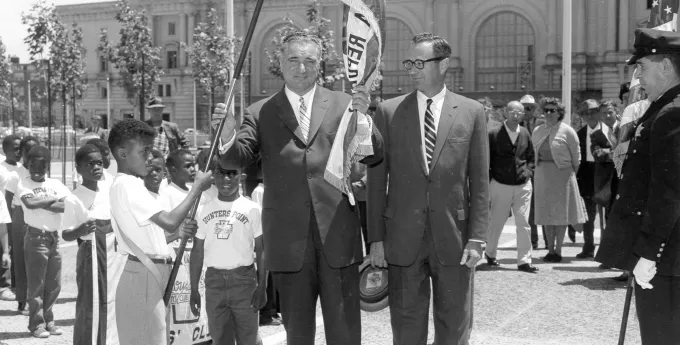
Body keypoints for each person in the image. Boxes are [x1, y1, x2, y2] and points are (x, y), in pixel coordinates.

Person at [214, 31, 383, 345]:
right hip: (288, 244)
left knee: (345, 334)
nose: (301, 68)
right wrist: (227, 135)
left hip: (337, 237)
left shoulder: (345, 103)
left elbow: (373, 155)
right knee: (299, 335)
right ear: (280, 62)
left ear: (320, 65)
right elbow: (238, 158)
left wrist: (366, 118)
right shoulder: (259, 111)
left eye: (309, 61)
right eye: (293, 59)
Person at [367, 33, 488, 344]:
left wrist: (477, 237)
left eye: (421, 62)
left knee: (454, 322)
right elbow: (377, 182)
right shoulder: (389, 112)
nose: (413, 69)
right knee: (406, 325)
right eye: (410, 62)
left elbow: (479, 179)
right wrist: (376, 239)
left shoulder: (471, 112)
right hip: (402, 237)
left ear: (444, 64)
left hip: (455, 237)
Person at [595, 28, 680, 343]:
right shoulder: (663, 109)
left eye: (641, 66)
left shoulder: (672, 114)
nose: (637, 76)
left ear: (665, 67)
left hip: (668, 257)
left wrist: (649, 253)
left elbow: (669, 192)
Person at [107, 119, 212, 345]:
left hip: (149, 272)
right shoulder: (128, 185)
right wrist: (197, 187)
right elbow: (170, 221)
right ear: (122, 153)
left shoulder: (132, 184)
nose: (149, 157)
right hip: (143, 275)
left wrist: (179, 233)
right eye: (144, 151)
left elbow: (156, 237)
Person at [189, 159, 266, 345]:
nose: (226, 179)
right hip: (214, 282)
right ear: (213, 176)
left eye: (232, 174)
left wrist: (262, 286)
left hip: (244, 281)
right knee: (220, 338)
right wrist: (193, 289)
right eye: (221, 173)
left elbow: (262, 250)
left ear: (242, 177)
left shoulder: (253, 209)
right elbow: (197, 252)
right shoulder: (202, 210)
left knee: (248, 339)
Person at [17, 146, 70, 338]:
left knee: (53, 284)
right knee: (37, 284)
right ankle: (36, 324)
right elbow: (29, 204)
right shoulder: (24, 183)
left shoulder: (56, 184)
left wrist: (43, 201)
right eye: (33, 165)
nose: (37, 170)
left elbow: (66, 206)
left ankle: (50, 320)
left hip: (53, 239)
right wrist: (50, 201)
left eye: (42, 165)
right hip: (35, 238)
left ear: (49, 165)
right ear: (27, 165)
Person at [61, 144, 112, 345]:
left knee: (111, 301)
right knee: (89, 304)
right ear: (79, 169)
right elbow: (66, 234)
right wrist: (80, 231)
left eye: (99, 163)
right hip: (90, 256)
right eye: (90, 164)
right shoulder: (74, 198)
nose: (96, 167)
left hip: (112, 254)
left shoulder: (108, 189)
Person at [532, 98, 587, 263]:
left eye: (552, 110)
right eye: (546, 110)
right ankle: (549, 249)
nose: (548, 113)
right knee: (546, 214)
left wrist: (570, 176)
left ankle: (558, 250)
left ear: (559, 113)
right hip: (543, 175)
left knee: (560, 214)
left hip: (563, 176)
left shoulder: (568, 131)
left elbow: (577, 158)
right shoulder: (537, 130)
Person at [486, 101, 537, 273]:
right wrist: (491, 180)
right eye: (512, 111)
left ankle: (524, 261)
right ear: (505, 113)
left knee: (523, 222)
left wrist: (528, 172)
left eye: (519, 112)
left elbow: (530, 156)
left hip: (522, 184)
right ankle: (490, 253)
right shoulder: (493, 134)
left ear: (523, 115)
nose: (516, 115)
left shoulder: (524, 133)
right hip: (500, 184)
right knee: (496, 221)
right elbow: (487, 159)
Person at [5, 136, 39, 316]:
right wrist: (10, 224)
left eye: (34, 149)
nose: (31, 154)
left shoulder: (40, 171)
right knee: (20, 259)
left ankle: (36, 298)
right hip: (20, 216)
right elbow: (8, 200)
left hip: (37, 216)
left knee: (37, 259)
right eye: (27, 150)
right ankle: (22, 299)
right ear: (23, 152)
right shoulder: (15, 174)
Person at [574, 99, 603, 259]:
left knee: (606, 217)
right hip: (586, 177)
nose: (590, 115)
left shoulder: (609, 131)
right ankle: (588, 247)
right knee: (588, 217)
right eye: (586, 113)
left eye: (593, 111)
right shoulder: (579, 134)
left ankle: (606, 251)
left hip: (605, 175)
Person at [519, 94, 545, 250]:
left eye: (529, 108)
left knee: (545, 205)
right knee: (530, 208)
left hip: (543, 169)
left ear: (534, 109)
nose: (526, 111)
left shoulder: (542, 123)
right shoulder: (517, 125)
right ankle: (533, 241)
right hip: (528, 170)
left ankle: (549, 242)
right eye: (523, 109)